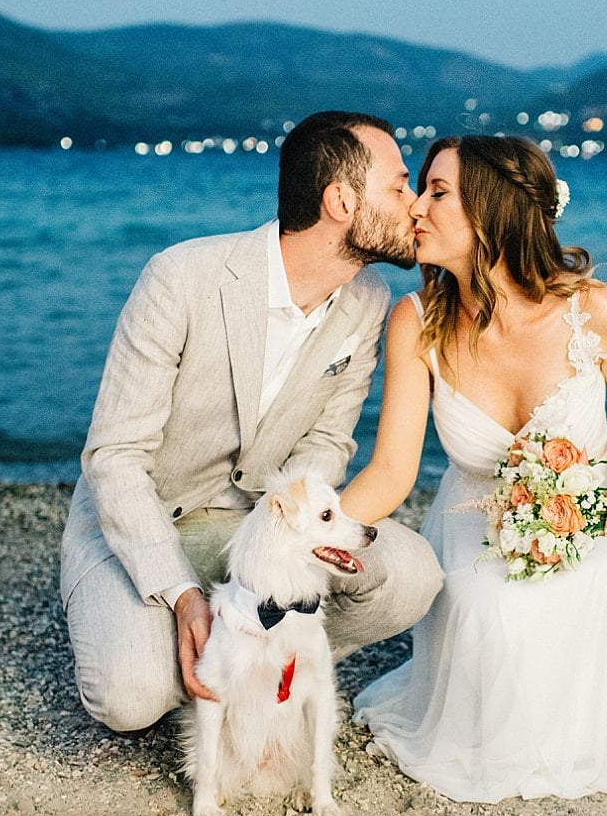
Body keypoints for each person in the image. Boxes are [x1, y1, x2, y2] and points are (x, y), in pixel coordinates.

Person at [339, 135, 607, 802]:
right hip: (474, 514)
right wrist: (310, 541)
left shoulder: (597, 311)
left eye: (437, 192)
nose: (415, 206)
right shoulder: (416, 321)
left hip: (584, 513)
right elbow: (389, 470)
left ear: (492, 211)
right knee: (487, 606)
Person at [60, 110, 444, 732]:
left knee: (411, 575)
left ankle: (259, 660)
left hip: (263, 524)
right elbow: (115, 457)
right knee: (126, 701)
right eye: (399, 187)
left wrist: (286, 542)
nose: (414, 205)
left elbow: (328, 440)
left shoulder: (369, 300)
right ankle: (156, 621)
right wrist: (185, 596)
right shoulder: (180, 278)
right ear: (341, 201)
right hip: (154, 518)